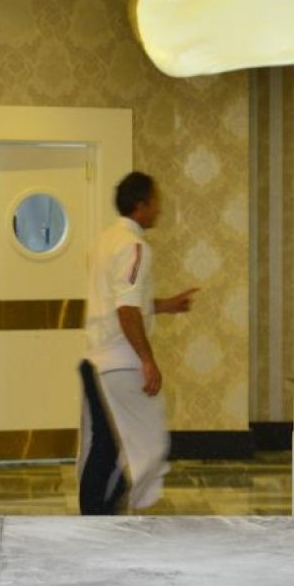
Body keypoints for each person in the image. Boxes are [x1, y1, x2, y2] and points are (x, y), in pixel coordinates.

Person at [77, 171, 198, 515]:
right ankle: (106, 514)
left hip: (95, 360)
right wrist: (148, 360)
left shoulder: (104, 241)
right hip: (119, 362)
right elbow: (126, 309)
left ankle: (94, 518)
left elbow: (121, 301)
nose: (160, 209)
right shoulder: (134, 246)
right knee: (143, 448)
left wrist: (165, 305)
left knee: (105, 445)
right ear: (140, 205)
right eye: (156, 201)